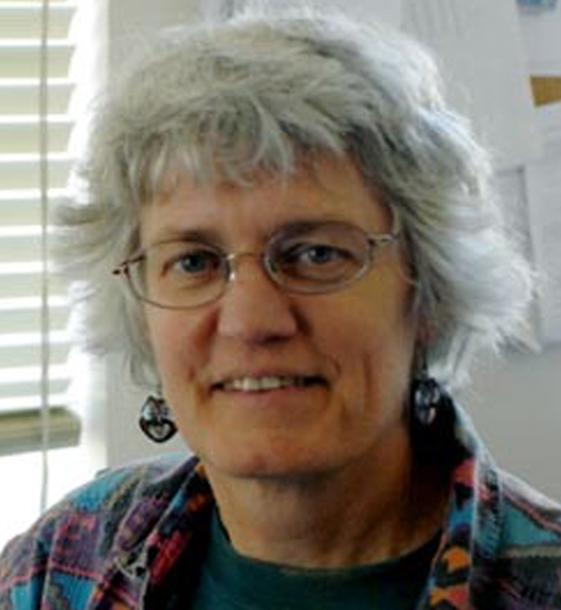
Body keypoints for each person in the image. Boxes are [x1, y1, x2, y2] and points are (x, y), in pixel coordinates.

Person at [1, 7, 560, 610]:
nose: (250, 321)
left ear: (426, 292)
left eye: (316, 254)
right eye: (194, 262)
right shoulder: (62, 564)